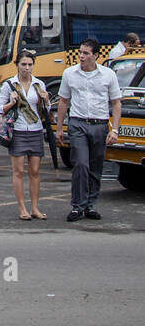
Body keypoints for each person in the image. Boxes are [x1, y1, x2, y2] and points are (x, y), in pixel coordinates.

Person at [55, 39, 122, 222]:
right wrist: (60, 128)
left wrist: (114, 129)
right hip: (78, 123)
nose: (81, 56)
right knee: (81, 164)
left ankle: (90, 205)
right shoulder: (70, 73)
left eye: (86, 53)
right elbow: (63, 101)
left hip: (99, 125)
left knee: (95, 167)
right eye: (80, 53)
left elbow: (116, 103)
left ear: (96, 55)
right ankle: (77, 206)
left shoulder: (108, 75)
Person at [0, 51, 50, 220]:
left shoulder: (39, 84)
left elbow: (45, 112)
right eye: (23, 64)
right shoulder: (9, 84)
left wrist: (46, 100)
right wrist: (11, 102)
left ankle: (35, 207)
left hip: (35, 129)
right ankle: (22, 208)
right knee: (18, 171)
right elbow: (0, 109)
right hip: (18, 131)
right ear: (17, 65)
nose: (27, 68)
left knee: (34, 171)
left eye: (29, 65)